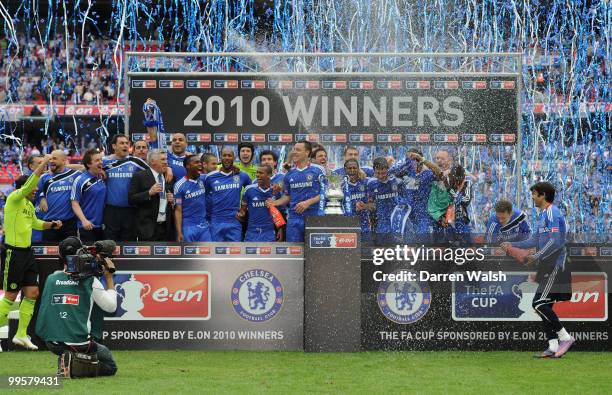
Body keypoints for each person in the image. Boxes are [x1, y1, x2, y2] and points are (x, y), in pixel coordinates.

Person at [501, 182, 574, 359]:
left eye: (534, 194)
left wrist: (538, 255)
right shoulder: (543, 215)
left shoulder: (553, 213)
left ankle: (565, 337)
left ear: (543, 195)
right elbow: (534, 240)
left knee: (539, 304)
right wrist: (513, 245)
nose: (532, 197)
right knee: (544, 306)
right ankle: (553, 346)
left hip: (555, 265)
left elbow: (556, 241)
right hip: (547, 265)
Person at [0, 155, 62, 350]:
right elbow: (31, 183)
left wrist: (51, 224)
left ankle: (21, 334)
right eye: (33, 188)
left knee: (32, 293)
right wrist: (44, 163)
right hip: (14, 253)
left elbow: (35, 223)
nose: (36, 190)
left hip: (27, 253)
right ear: (23, 188)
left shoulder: (27, 205)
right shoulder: (14, 198)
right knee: (10, 296)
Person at [36, 237, 117, 377]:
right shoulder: (91, 281)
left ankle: (67, 359)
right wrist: (109, 278)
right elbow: (111, 307)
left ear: (60, 255)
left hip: (50, 342)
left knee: (69, 343)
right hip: (77, 342)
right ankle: (75, 365)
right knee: (110, 366)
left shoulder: (51, 278)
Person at [269, 141, 326, 242]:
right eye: (294, 149)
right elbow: (288, 196)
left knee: (315, 252)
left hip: (314, 216)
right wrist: (274, 203)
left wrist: (308, 203)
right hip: (294, 219)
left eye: (298, 150)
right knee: (294, 252)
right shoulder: (289, 174)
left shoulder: (318, 170)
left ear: (307, 152)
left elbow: (325, 193)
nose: (294, 152)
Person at [102, 134, 149, 241]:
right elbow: (86, 167)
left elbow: (154, 171)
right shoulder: (104, 161)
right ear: (114, 146)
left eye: (126, 143)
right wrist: (100, 171)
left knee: (129, 243)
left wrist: (168, 168)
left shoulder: (135, 161)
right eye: (121, 143)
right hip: (111, 210)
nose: (125, 146)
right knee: (109, 242)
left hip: (131, 210)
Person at [389, 149, 442, 243]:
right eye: (409, 160)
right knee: (408, 249)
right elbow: (388, 175)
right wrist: (398, 163)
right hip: (407, 218)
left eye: (415, 160)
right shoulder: (402, 174)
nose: (413, 163)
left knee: (424, 248)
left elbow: (440, 174)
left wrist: (423, 159)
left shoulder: (427, 174)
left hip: (423, 217)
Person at [204, 148, 251, 241]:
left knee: (235, 253)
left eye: (229, 155)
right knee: (215, 253)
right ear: (220, 158)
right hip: (216, 221)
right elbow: (204, 197)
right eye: (224, 155)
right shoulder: (210, 177)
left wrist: (244, 209)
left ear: (234, 157)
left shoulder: (242, 175)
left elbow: (253, 190)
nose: (227, 158)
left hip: (234, 220)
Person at [128, 149, 175, 241]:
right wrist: (149, 193)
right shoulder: (140, 176)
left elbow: (177, 200)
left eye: (166, 160)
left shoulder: (169, 177)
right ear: (153, 161)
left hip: (166, 229)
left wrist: (173, 200)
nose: (166, 162)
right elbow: (131, 199)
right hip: (147, 229)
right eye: (162, 160)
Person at [38, 150, 81, 241]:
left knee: (71, 252)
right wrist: (42, 197)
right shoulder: (44, 177)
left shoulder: (74, 175)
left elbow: (85, 168)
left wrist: (67, 166)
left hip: (69, 223)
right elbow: (37, 192)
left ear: (63, 160)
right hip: (50, 223)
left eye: (54, 159)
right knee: (48, 254)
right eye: (50, 159)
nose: (51, 161)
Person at [71, 149, 107, 243]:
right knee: (88, 256)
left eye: (101, 160)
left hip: (102, 226)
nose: (101, 162)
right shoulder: (80, 180)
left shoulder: (101, 177)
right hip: (87, 226)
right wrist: (84, 221)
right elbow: (74, 203)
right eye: (97, 161)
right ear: (88, 164)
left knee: (102, 256)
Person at [174, 155, 211, 242]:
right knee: (189, 254)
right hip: (188, 227)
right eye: (196, 162)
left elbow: (218, 174)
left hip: (204, 226)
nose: (200, 164)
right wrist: (179, 232)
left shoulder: (204, 179)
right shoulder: (179, 185)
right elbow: (178, 210)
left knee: (208, 253)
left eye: (200, 162)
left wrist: (233, 168)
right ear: (188, 166)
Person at [239, 165, 279, 242]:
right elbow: (243, 210)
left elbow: (279, 212)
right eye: (257, 172)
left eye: (261, 173)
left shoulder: (275, 191)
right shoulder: (249, 189)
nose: (257, 175)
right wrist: (241, 213)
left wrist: (280, 228)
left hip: (269, 232)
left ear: (269, 175)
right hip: (252, 233)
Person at [367, 157, 401, 245]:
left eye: (383, 173)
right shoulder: (371, 184)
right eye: (378, 173)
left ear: (388, 170)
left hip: (397, 222)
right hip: (381, 223)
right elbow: (371, 204)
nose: (381, 176)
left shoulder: (396, 181)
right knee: (383, 250)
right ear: (373, 170)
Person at [341, 159, 370, 239]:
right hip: (348, 227)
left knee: (366, 250)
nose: (352, 170)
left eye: (354, 168)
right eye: (349, 168)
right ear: (345, 170)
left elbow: (374, 204)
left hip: (365, 227)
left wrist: (365, 206)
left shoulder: (366, 183)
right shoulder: (341, 187)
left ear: (358, 169)